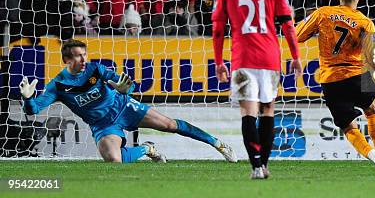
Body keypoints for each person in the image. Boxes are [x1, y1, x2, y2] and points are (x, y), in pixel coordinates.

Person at [19, 39, 237, 163]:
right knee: (115, 161)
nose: (84, 59)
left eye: (84, 54)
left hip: (123, 106)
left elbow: (125, 83)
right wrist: (27, 98)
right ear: (67, 59)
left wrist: (125, 89)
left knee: (170, 125)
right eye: (77, 55)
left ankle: (218, 144)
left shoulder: (96, 69)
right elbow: (34, 110)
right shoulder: (57, 85)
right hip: (104, 125)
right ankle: (147, 149)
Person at [295, 0, 375, 172]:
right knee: (371, 108)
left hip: (330, 80)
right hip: (356, 75)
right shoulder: (365, 22)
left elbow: (296, 35)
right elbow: (372, 58)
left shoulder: (323, 13)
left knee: (349, 126)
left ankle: (374, 157)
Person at [212, 0, 302, 180]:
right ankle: (265, 164)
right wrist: (295, 56)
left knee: (247, 111)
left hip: (243, 58)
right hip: (270, 57)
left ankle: (255, 167)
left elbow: (218, 30)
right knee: (268, 110)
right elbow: (288, 26)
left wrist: (219, 61)